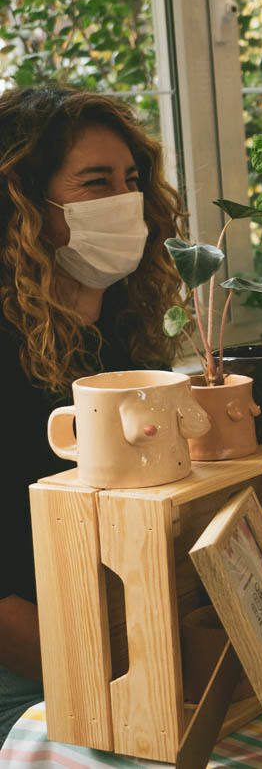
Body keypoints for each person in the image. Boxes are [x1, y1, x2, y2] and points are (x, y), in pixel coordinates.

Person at [0, 88, 184, 743]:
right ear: (25, 200)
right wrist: (104, 675)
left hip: (115, 634)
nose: (125, 202)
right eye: (95, 183)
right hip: (28, 664)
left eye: (131, 181)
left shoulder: (123, 330)